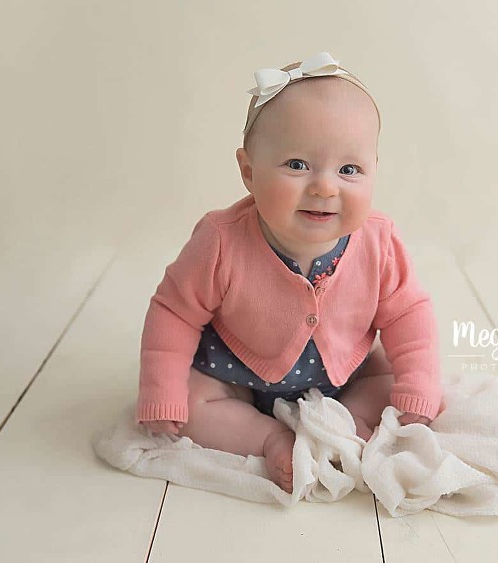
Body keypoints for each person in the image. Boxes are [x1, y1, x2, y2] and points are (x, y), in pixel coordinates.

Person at [135, 52, 443, 493]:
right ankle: (268, 438)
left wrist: (419, 385)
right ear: (248, 171)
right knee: (188, 403)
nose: (324, 186)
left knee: (396, 378)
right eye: (297, 165)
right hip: (236, 372)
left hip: (344, 370)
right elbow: (174, 313)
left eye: (349, 169)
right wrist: (161, 390)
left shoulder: (378, 242)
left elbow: (409, 315)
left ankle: (345, 429)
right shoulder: (221, 240)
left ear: (374, 171)